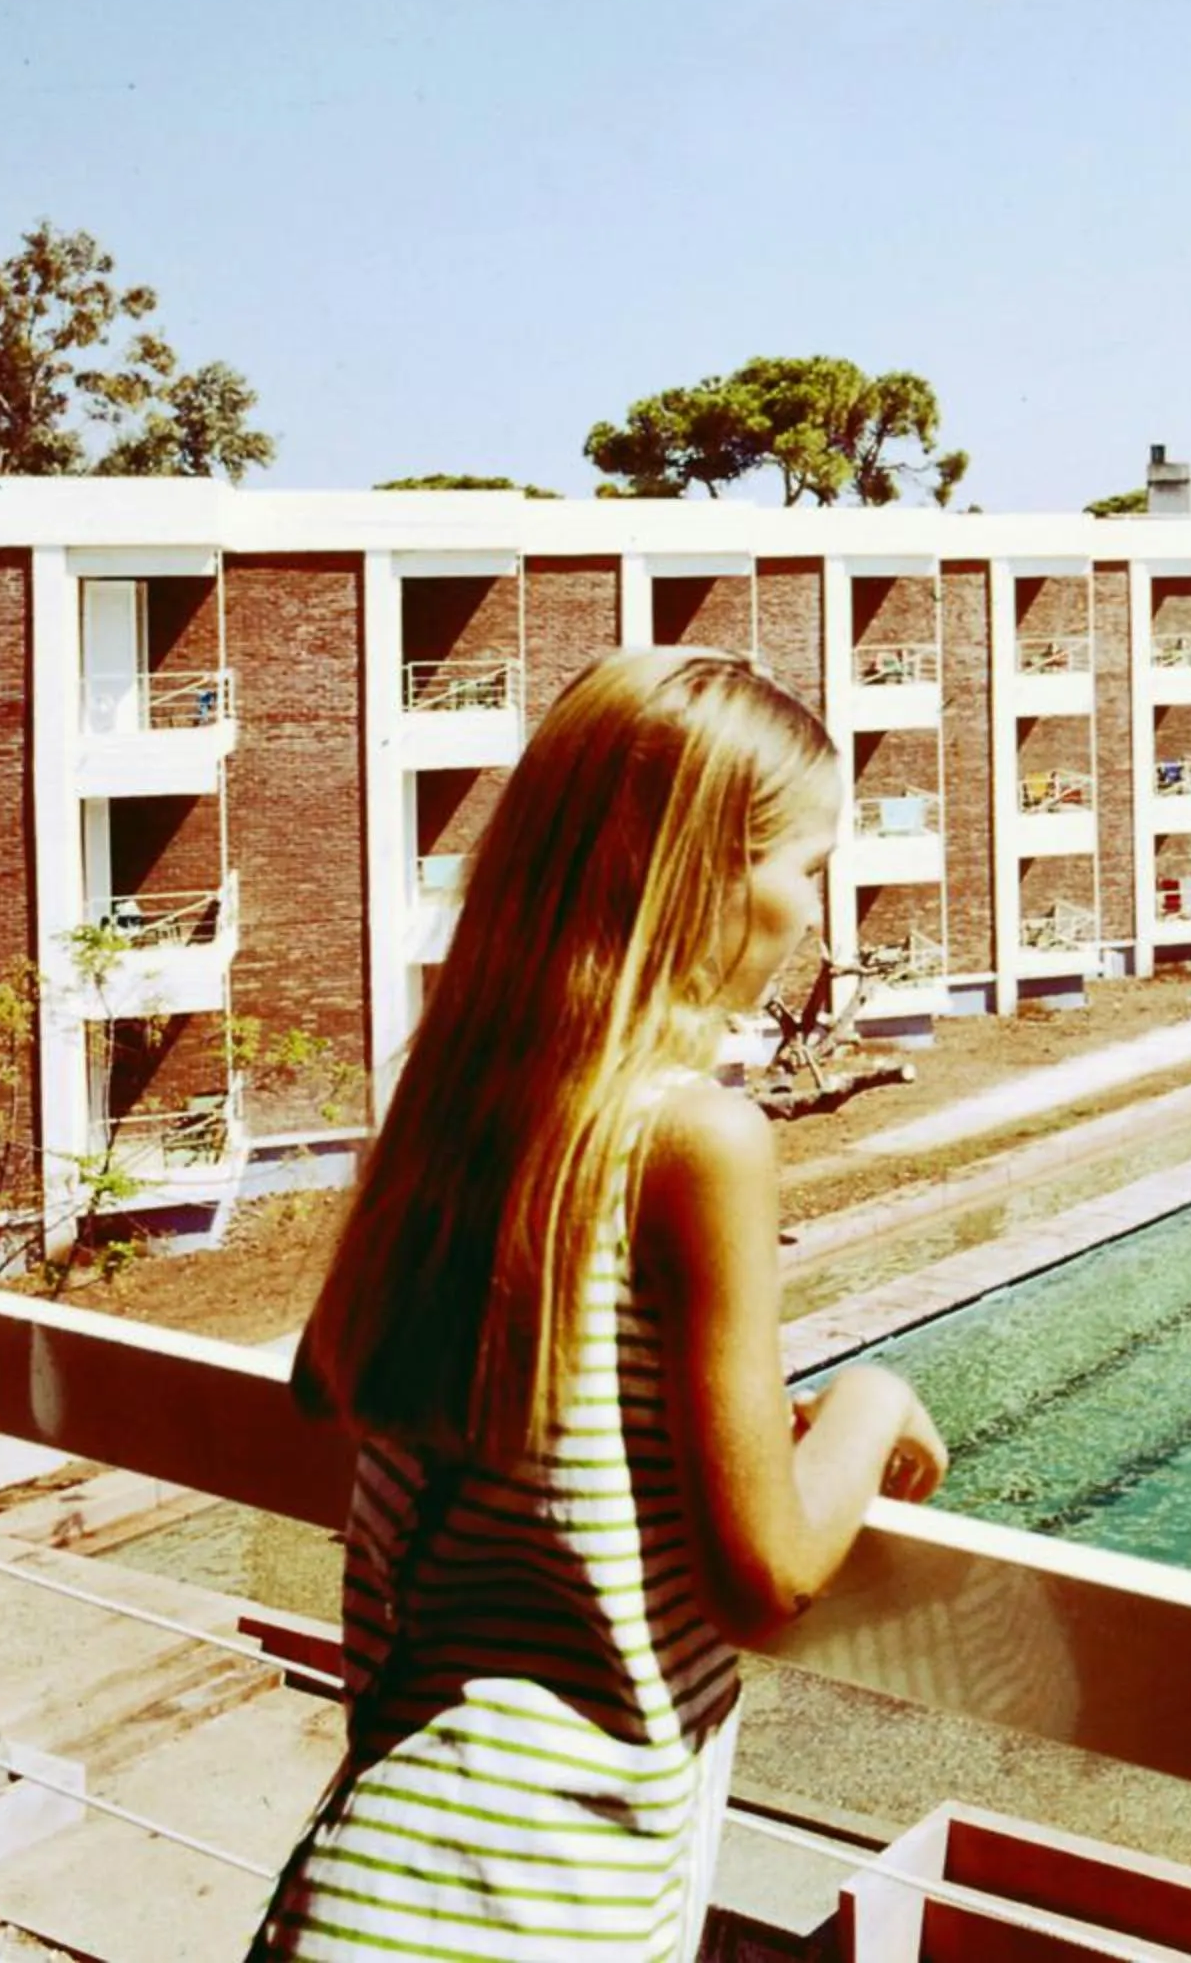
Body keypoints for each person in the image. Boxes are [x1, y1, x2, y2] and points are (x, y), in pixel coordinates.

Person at [254, 650, 946, 1963]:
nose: (814, 909)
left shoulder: (460, 1109)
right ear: (702, 879)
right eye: (806, 865)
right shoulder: (701, 1143)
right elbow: (768, 1579)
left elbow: (325, 1375)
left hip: (367, 1876)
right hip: (525, 1901)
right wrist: (870, 1405)